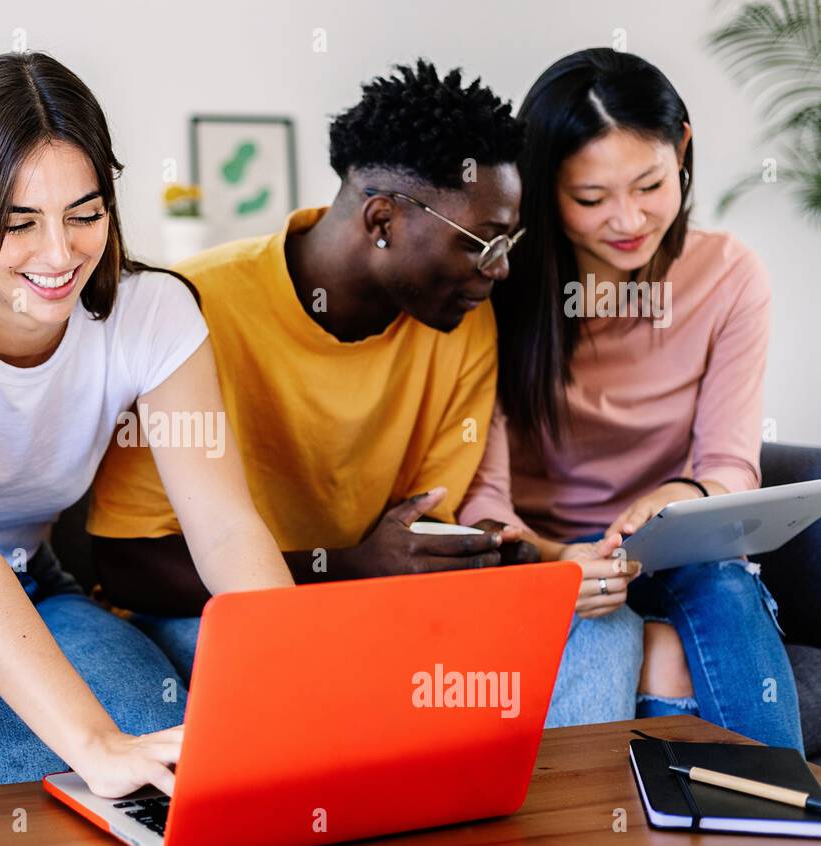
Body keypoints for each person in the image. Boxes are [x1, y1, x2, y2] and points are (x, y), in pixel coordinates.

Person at [84, 60, 641, 725]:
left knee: (604, 631)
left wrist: (526, 560)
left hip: (380, 611)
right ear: (383, 220)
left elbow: (428, 523)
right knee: (322, 677)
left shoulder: (460, 318)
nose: (501, 269)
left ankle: (534, 822)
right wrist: (346, 566)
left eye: (509, 241)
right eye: (484, 243)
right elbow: (125, 564)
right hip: (213, 616)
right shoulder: (193, 307)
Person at [0, 51, 293, 795]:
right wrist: (94, 744)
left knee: (152, 733)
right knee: (44, 757)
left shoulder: (153, 310)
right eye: (20, 223)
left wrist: (299, 681)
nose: (61, 255)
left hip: (34, 587)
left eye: (85, 214)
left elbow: (224, 526)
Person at [459, 48, 804, 751]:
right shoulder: (495, 290)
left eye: (649, 184)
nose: (628, 219)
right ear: (543, 189)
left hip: (671, 550)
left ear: (682, 150)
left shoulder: (729, 273)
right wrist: (556, 560)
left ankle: (788, 838)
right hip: (540, 561)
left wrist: (680, 492)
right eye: (590, 199)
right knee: (656, 651)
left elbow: (733, 464)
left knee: (727, 584)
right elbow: (481, 503)